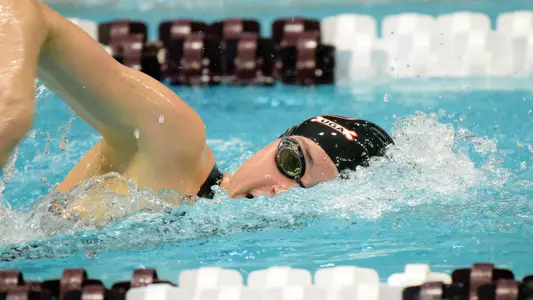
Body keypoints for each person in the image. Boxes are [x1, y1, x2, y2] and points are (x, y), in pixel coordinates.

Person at [0, 0, 394, 222]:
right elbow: (21, 9)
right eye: (291, 161)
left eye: (309, 194)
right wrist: (14, 107)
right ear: (272, 142)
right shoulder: (173, 141)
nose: (278, 191)